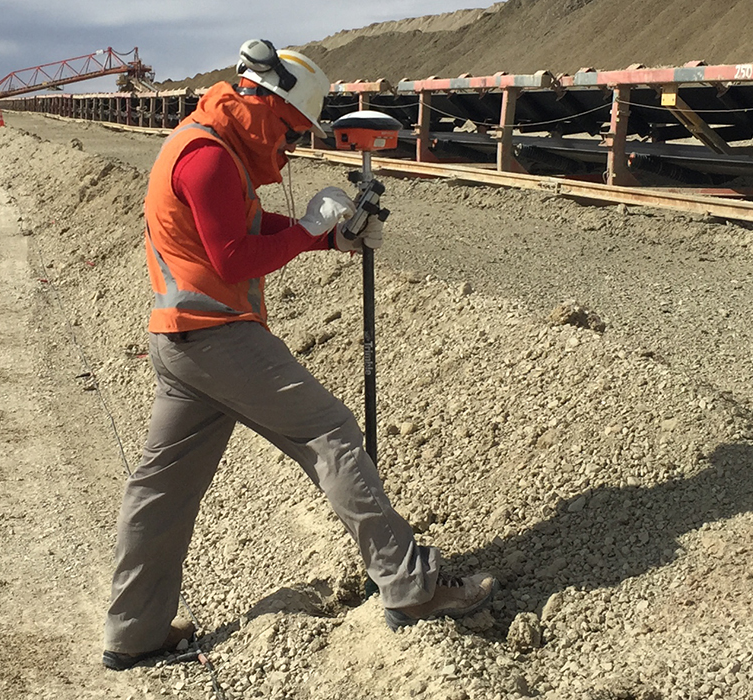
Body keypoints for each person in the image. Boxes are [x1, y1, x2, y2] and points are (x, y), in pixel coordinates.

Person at [100, 40, 495, 671]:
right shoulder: (206, 159)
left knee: (162, 489)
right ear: (261, 101)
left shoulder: (211, 144)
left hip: (180, 342)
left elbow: (249, 232)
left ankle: (134, 631)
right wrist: (312, 230)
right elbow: (232, 258)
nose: (289, 149)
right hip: (216, 337)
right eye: (290, 131)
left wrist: (331, 238)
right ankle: (410, 586)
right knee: (331, 431)